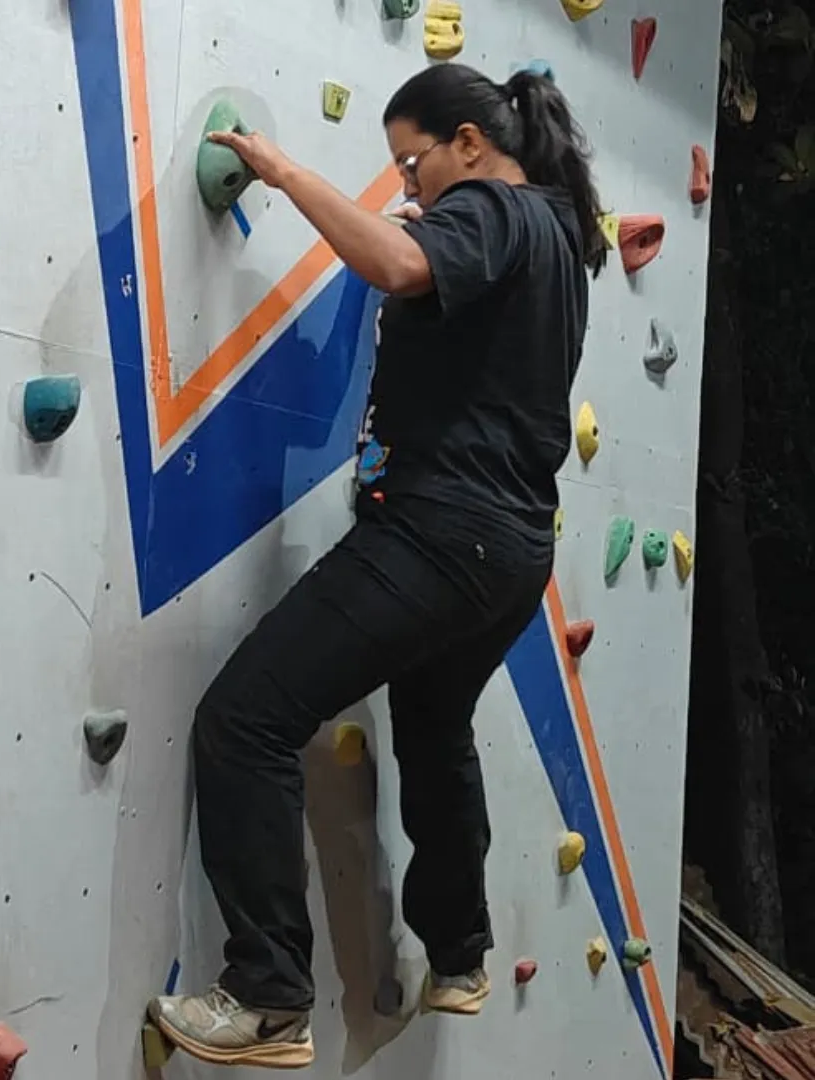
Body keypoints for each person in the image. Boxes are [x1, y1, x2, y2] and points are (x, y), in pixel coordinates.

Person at [149, 62, 605, 1067]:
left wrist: (282, 170)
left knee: (245, 720)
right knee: (435, 729)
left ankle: (267, 996)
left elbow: (400, 266)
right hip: (513, 552)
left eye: (413, 160)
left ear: (472, 145)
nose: (411, 184)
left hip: (440, 534)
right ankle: (461, 955)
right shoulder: (558, 241)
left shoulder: (490, 205)